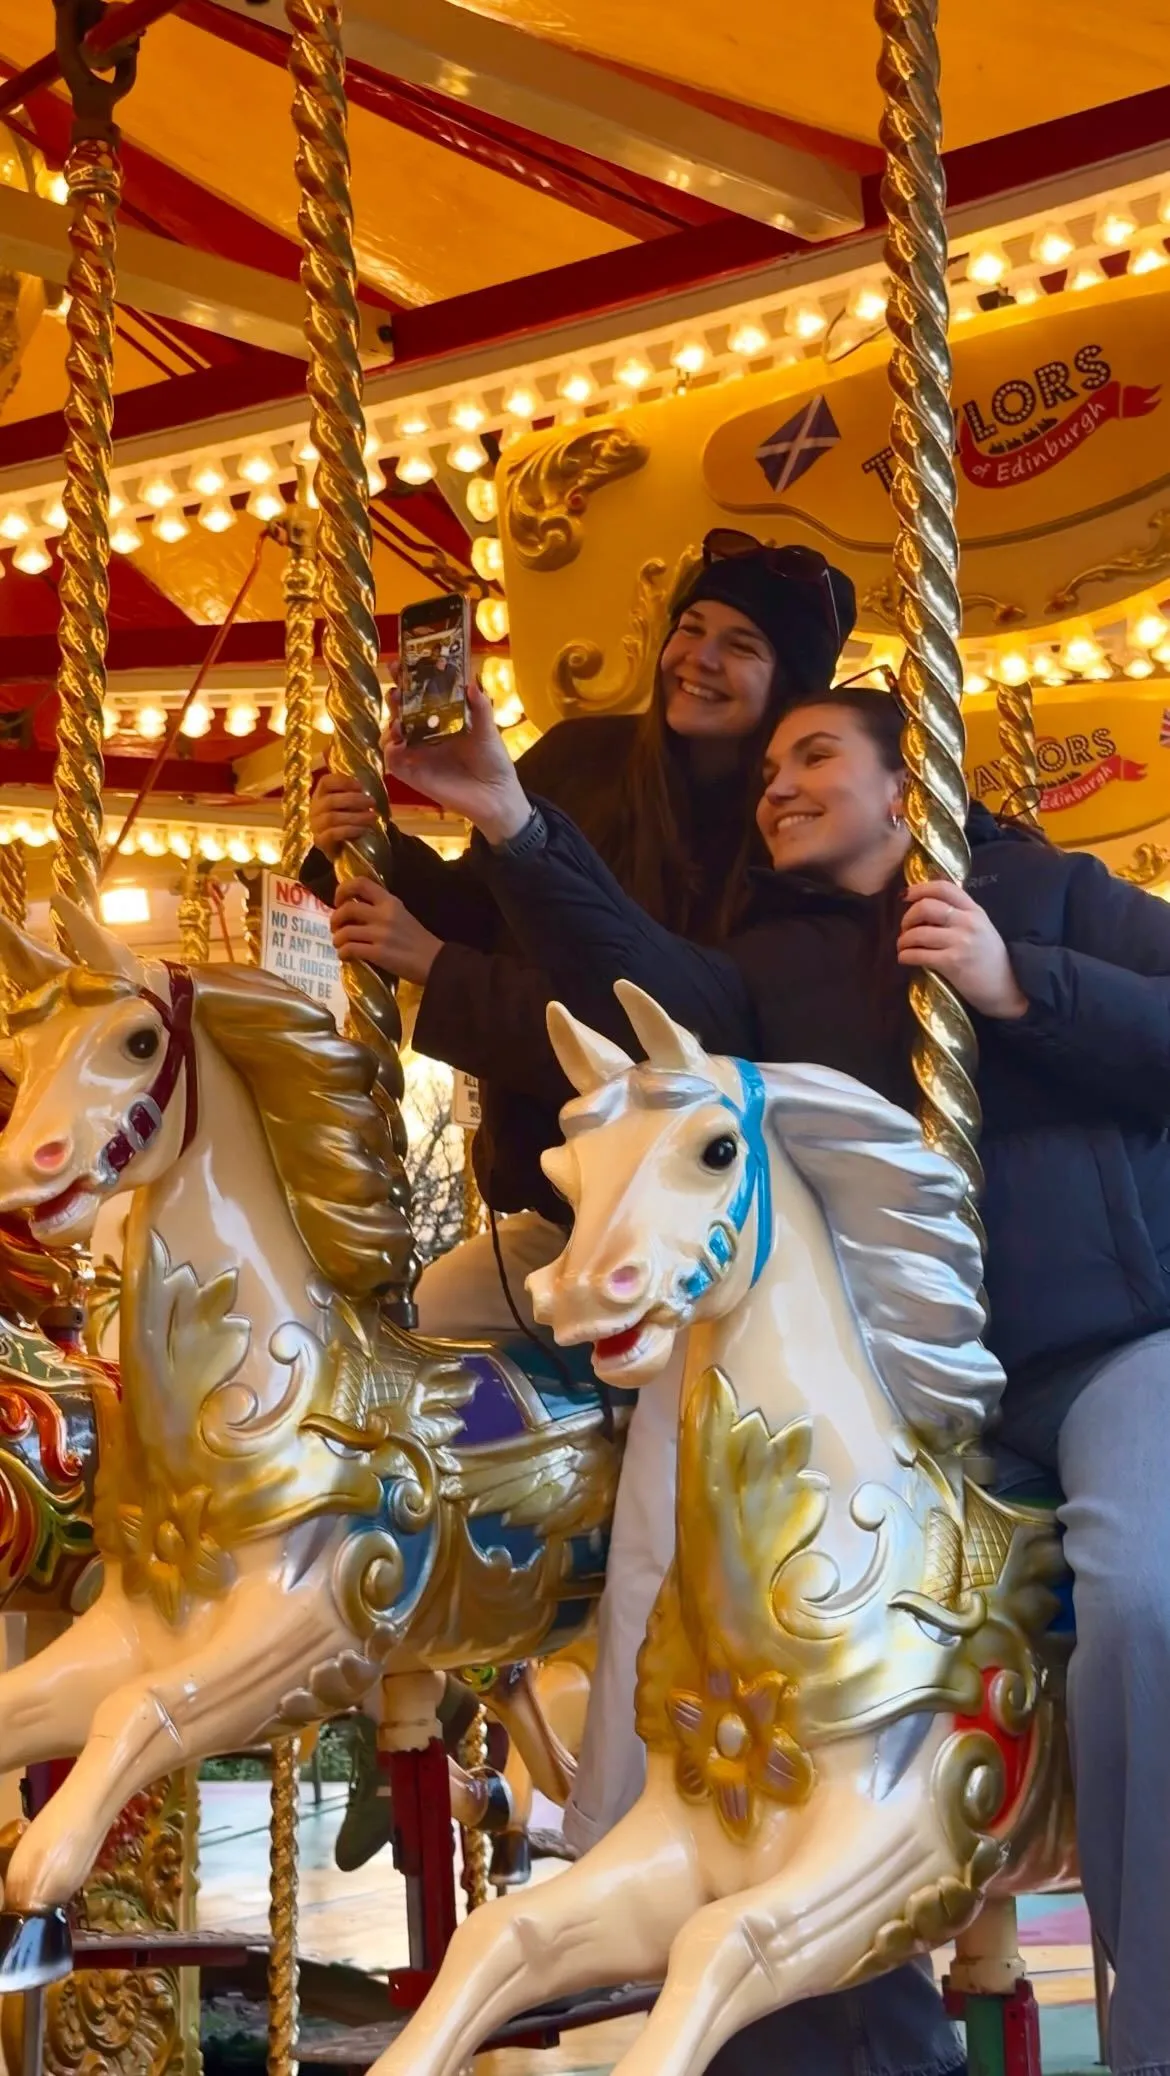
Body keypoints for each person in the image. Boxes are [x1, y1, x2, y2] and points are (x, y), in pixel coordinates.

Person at [385, 675, 1170, 2076]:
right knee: (755, 1636)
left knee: (1147, 1597)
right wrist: (512, 823)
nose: (779, 785)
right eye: (766, 775)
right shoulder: (771, 970)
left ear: (904, 779)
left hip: (1107, 1351)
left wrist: (1014, 982)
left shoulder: (1053, 897)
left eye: (813, 755)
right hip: (916, 1388)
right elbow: (628, 981)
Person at [303, 539, 859, 1880]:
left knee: (667, 1518)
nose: (700, 659)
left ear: (788, 683)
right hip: (553, 1219)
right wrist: (362, 857)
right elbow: (506, 928)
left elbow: (655, 1037)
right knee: (387, 1364)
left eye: (740, 645)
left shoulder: (776, 841)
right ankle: (411, 1682)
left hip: (700, 1252)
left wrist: (440, 965)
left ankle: (606, 1820)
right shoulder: (579, 765)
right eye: (691, 629)